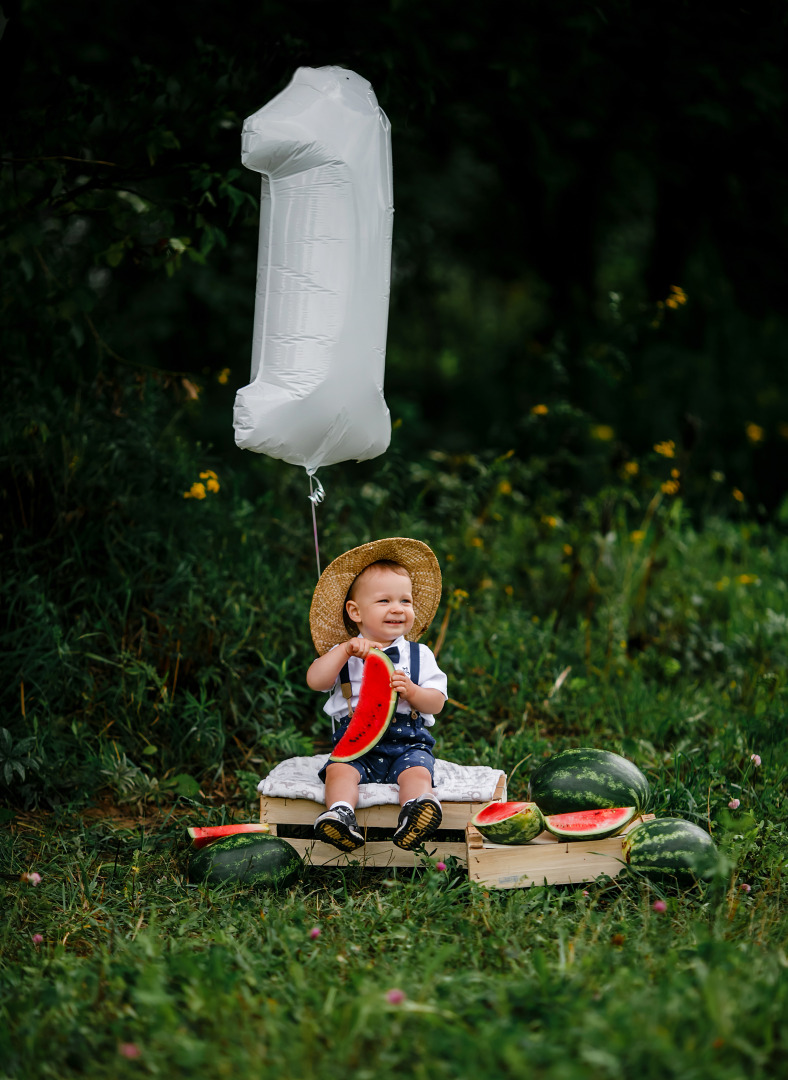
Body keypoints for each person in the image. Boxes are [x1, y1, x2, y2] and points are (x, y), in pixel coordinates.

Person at [306, 537, 448, 853]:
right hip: (356, 741)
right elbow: (315, 681)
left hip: (407, 741)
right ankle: (341, 813)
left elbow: (436, 701)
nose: (397, 609)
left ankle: (415, 809)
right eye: (384, 601)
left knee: (417, 771)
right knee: (338, 770)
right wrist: (343, 651)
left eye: (405, 601)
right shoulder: (345, 652)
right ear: (355, 612)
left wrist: (412, 692)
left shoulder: (419, 655)